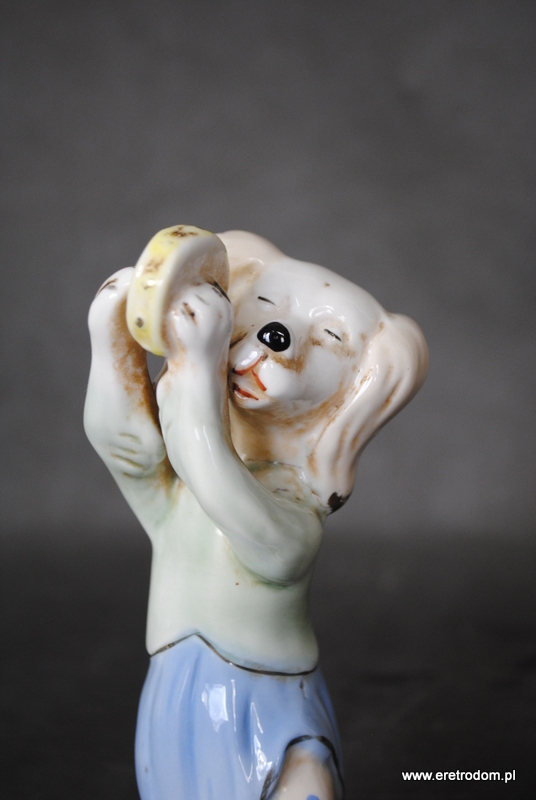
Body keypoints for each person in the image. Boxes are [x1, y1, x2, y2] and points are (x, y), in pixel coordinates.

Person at [84, 229, 428, 799]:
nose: (277, 335)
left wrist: (197, 372)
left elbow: (214, 477)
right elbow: (127, 449)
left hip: (267, 710)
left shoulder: (294, 515)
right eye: (264, 308)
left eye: (329, 339)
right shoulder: (180, 494)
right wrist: (111, 335)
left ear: (353, 396)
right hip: (175, 703)